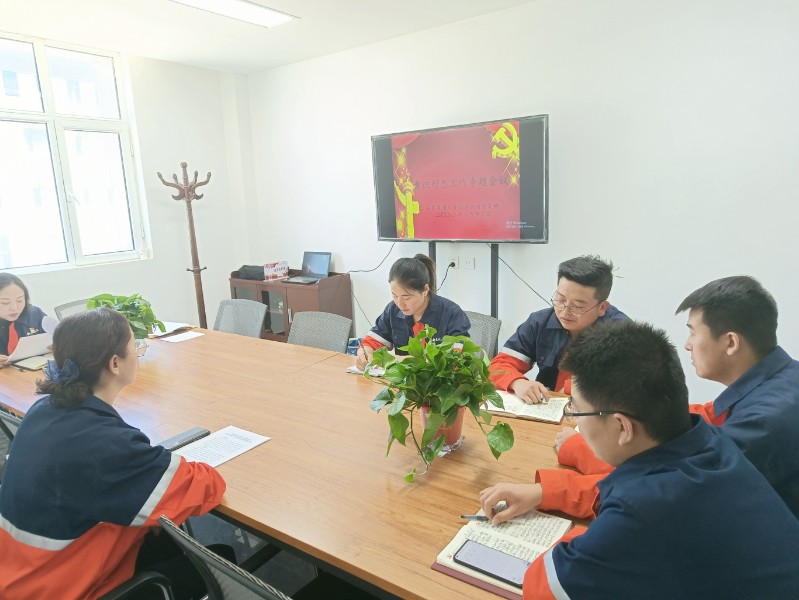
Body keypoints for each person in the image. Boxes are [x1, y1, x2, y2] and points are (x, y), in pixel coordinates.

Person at [480, 321, 799, 599]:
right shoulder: (712, 442)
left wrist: (598, 535)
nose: (573, 417)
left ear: (622, 427)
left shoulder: (641, 512)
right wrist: (546, 492)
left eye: (575, 409)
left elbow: (543, 587)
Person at [0, 308, 227, 599]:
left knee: (160, 536)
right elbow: (207, 487)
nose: (138, 353)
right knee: (220, 558)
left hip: (18, 572)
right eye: (135, 346)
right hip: (60, 587)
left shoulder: (45, 409)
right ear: (115, 363)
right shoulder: (106, 444)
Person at [552, 275, 799, 518]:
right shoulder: (783, 380)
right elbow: (704, 418)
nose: (687, 345)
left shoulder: (764, 423)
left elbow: (668, 489)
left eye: (693, 332)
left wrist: (573, 459)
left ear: (731, 343)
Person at [489, 255, 628, 404]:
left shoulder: (622, 334)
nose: (565, 311)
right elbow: (499, 366)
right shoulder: (539, 322)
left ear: (602, 308)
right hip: (546, 408)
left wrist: (571, 388)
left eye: (578, 306)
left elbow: (623, 387)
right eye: (560, 299)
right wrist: (517, 382)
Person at [355, 254, 470, 369]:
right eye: (394, 295)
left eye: (407, 297)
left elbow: (456, 358)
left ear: (425, 290)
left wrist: (399, 359)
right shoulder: (393, 310)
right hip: (403, 379)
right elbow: (372, 342)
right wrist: (364, 354)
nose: (400, 304)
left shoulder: (451, 313)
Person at [0, 273, 47, 362]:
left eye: (19, 300)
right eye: (5, 303)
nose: (14, 308)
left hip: (34, 367)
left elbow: (56, 337)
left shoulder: (35, 314)